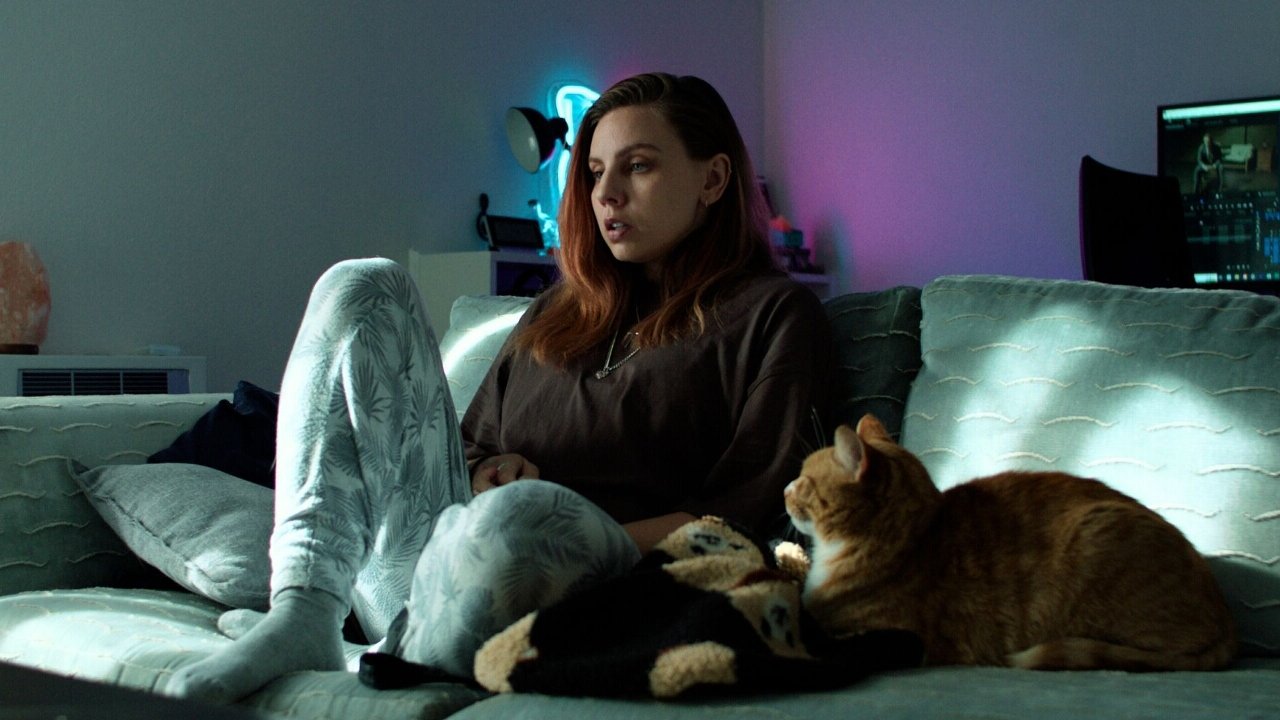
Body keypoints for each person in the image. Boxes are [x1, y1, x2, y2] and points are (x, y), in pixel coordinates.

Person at [168, 72, 831, 703]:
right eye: (595, 172)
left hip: (593, 587)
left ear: (713, 179)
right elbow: (461, 453)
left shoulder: (772, 315)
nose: (606, 194)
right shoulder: (554, 314)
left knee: (525, 514)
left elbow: (744, 513)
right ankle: (306, 613)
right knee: (363, 283)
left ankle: (405, 642)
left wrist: (534, 519)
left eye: (638, 166)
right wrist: (488, 471)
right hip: (426, 568)